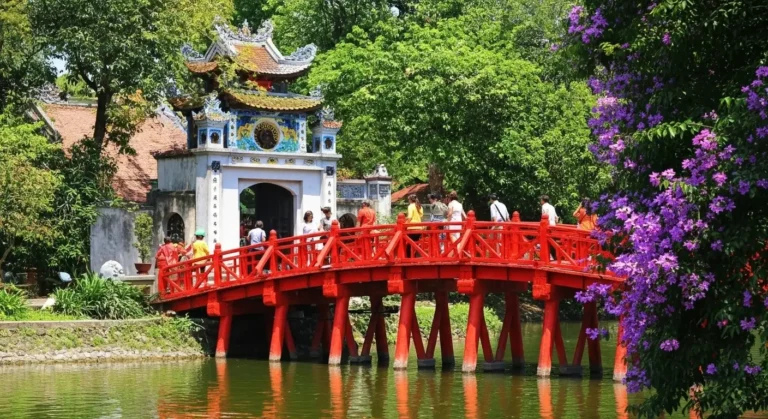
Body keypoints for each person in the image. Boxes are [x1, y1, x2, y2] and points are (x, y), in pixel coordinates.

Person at [540, 195, 558, 261]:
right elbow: (556, 218)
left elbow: (543, 217)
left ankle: (546, 258)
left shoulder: (544, 206)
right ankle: (555, 257)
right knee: (552, 242)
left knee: (546, 241)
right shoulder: (552, 207)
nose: (540, 201)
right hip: (553, 226)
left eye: (541, 200)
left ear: (543, 200)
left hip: (547, 226)